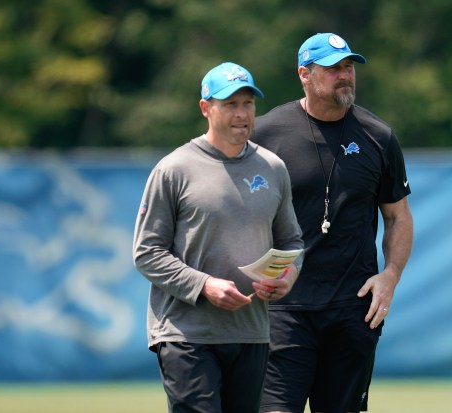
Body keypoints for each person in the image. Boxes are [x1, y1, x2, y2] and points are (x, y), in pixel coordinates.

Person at [250, 33, 414, 413]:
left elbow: (398, 216)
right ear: (304, 74)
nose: (345, 76)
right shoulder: (265, 135)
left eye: (348, 67)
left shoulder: (378, 137)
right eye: (333, 69)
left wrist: (390, 277)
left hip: (352, 310)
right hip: (283, 309)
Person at [133, 62, 304, 413]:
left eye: (248, 104)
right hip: (187, 334)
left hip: (251, 332)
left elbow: (292, 242)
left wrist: (287, 276)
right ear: (205, 108)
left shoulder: (273, 167)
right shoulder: (174, 169)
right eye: (230, 104)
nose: (241, 114)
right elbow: (147, 252)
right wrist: (204, 285)